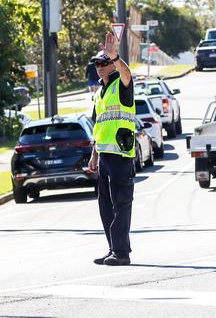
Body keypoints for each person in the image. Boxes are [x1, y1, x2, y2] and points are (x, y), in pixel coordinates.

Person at [88, 32, 135, 266]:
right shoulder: (98, 94)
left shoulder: (122, 85)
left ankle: (122, 253)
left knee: (121, 203)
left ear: (111, 66)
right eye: (97, 63)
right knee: (105, 205)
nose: (99, 67)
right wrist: (93, 154)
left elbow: (128, 74)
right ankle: (113, 248)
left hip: (121, 154)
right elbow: (98, 125)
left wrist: (116, 56)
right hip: (105, 155)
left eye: (103, 63)